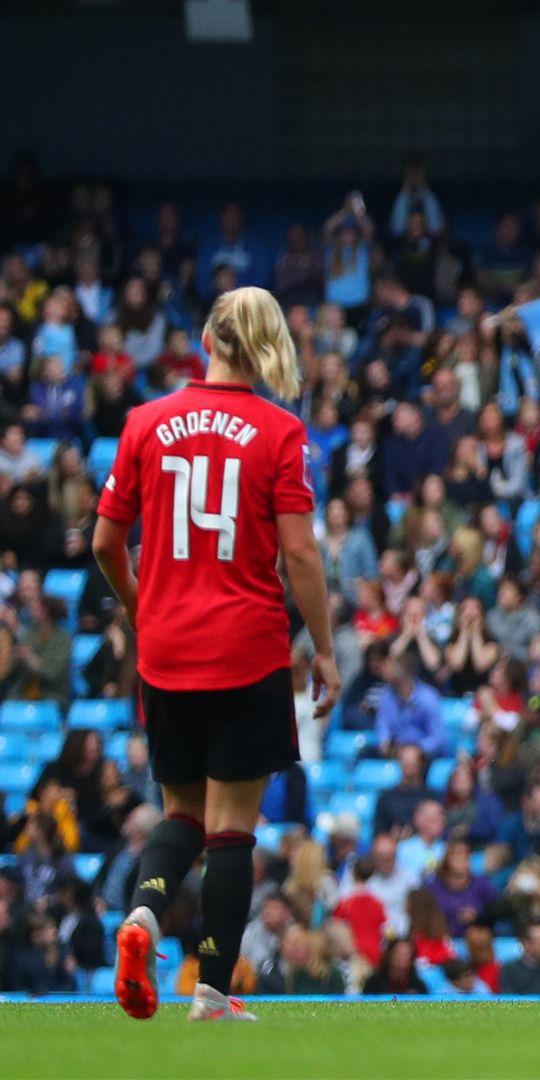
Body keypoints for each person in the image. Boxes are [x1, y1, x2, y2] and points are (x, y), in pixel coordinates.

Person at [95, 287, 341, 1023]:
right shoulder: (280, 431)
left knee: (180, 815)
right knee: (232, 827)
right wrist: (324, 650)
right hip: (247, 647)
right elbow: (299, 553)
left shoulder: (146, 421)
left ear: (206, 338)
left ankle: (141, 917)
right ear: (267, 345)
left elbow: (106, 542)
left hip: (167, 651)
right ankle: (210, 992)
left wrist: (146, 610)